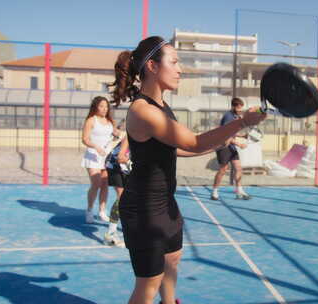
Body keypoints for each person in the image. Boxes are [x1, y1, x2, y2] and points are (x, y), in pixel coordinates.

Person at [110, 36, 265, 304]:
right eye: (174, 62)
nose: (180, 69)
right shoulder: (143, 110)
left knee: (172, 260)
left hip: (164, 203)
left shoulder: (162, 107)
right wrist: (242, 122)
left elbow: (177, 148)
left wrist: (225, 139)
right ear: (152, 66)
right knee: (148, 284)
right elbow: (193, 142)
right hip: (144, 209)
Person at [81, 96, 120, 224]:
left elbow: (115, 134)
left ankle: (102, 211)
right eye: (101, 106)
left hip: (107, 157)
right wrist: (96, 147)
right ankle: (89, 210)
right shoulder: (91, 120)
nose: (104, 109)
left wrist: (118, 135)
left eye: (106, 106)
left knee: (105, 185)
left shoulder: (110, 121)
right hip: (93, 156)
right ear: (96, 107)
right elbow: (85, 139)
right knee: (96, 183)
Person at [210, 97, 251, 201]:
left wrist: (242, 136)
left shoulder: (236, 116)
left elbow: (232, 132)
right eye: (238, 108)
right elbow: (225, 135)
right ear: (233, 106)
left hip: (231, 146)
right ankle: (214, 191)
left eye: (241, 107)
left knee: (238, 168)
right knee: (223, 170)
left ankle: (239, 191)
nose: (240, 110)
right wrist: (239, 144)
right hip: (223, 146)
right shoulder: (228, 117)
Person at [103, 122, 131, 247]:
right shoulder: (135, 133)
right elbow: (121, 157)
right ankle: (110, 233)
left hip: (125, 166)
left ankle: (128, 229)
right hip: (115, 164)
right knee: (122, 198)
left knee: (129, 198)